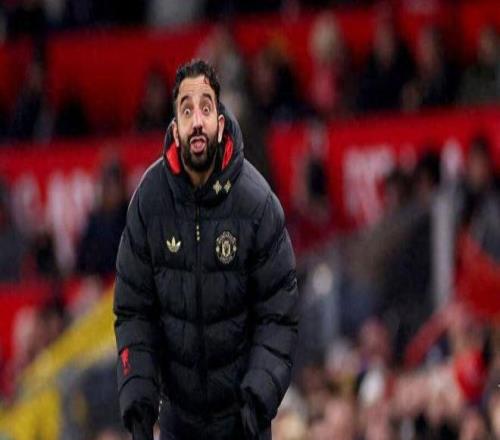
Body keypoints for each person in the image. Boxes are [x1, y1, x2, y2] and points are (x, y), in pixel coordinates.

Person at [114, 60, 299, 440]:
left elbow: (278, 312)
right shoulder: (149, 202)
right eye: (186, 110)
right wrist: (138, 399)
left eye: (205, 108)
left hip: (242, 422)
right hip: (178, 422)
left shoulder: (257, 203)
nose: (196, 121)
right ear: (175, 128)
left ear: (220, 120)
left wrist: (259, 393)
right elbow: (134, 312)